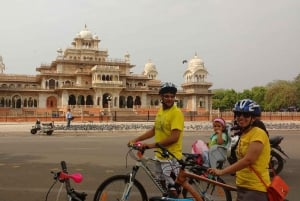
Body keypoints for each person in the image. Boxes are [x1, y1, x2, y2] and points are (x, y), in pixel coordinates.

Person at [208, 99, 271, 201]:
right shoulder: (244, 133)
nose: (241, 117)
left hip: (255, 189)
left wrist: (222, 172)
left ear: (253, 118)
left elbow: (248, 160)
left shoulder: (258, 133)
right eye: (238, 114)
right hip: (243, 186)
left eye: (246, 115)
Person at [129, 82, 184, 197]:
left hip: (171, 157)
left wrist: (150, 145)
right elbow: (154, 130)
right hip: (160, 155)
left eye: (172, 96)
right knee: (162, 185)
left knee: (173, 190)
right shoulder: (161, 112)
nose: (169, 99)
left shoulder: (176, 113)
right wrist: (136, 139)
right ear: (161, 97)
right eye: (166, 96)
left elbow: (174, 137)